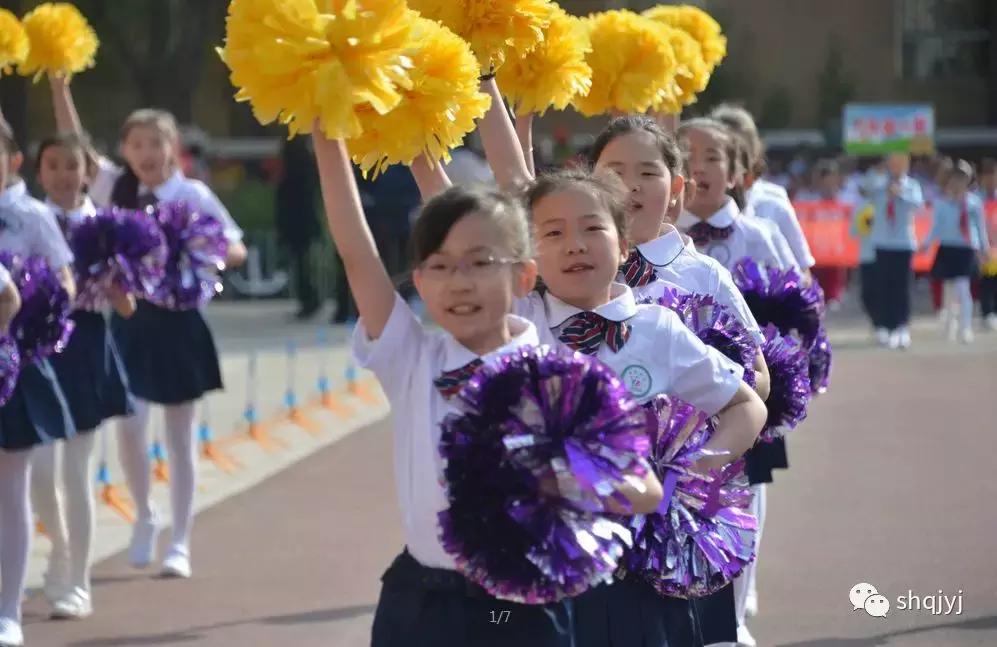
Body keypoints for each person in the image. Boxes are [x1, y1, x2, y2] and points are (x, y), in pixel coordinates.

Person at [312, 126, 663, 645]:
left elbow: (645, 491)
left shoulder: (559, 376)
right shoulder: (413, 359)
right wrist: (327, 132)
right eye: (440, 266)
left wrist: (559, 474)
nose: (459, 282)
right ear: (420, 281)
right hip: (421, 601)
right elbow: (357, 253)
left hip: (515, 607)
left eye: (480, 263)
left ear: (523, 276)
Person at [471, 78, 766, 647]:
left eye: (592, 230)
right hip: (549, 559)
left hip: (644, 566)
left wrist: (688, 470)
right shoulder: (524, 317)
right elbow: (515, 189)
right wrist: (490, 88)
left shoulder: (661, 323)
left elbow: (747, 402)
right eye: (555, 233)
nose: (575, 244)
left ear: (624, 244)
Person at [51, 77, 247, 580]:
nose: (146, 153)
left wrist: (200, 254)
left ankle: (180, 540)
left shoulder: (192, 194)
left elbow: (235, 246)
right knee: (130, 430)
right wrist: (59, 88)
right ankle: (144, 514)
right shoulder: (115, 187)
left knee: (181, 436)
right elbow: (78, 146)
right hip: (131, 323)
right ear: (125, 151)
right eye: (136, 144)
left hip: (181, 325)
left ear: (172, 147)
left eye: (155, 143)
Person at [30, 124, 137, 620]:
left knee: (77, 471)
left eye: (72, 166)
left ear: (88, 173)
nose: (63, 175)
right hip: (37, 346)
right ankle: (59, 549)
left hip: (87, 344)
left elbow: (129, 306)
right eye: (52, 166)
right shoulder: (28, 221)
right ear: (38, 172)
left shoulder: (106, 226)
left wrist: (112, 278)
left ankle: (79, 581)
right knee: (39, 473)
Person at [0, 112, 77, 647]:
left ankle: (9, 610)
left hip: (15, 367)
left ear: (12, 161)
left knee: (12, 489)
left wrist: (33, 316)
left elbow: (64, 280)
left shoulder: (32, 217)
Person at [920, 159, 991, 343]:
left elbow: (980, 227)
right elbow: (936, 226)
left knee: (963, 288)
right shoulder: (942, 203)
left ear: (968, 180)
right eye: (956, 177)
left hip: (966, 249)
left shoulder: (974, 203)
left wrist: (984, 248)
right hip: (948, 247)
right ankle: (950, 324)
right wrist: (926, 243)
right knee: (949, 290)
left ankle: (965, 327)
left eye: (963, 178)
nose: (959, 182)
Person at [868, 153, 924, 349]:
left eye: (900, 163)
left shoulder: (912, 186)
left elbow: (917, 206)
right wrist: (883, 187)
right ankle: (886, 326)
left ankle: (902, 327)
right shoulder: (879, 185)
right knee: (884, 286)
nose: (896, 167)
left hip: (903, 242)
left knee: (902, 287)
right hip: (882, 242)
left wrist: (899, 194)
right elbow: (868, 196)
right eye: (892, 164)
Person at [274, 136, 322, 320]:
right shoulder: (306, 169)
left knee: (301, 265)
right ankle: (309, 299)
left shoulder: (293, 174)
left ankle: (309, 299)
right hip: (304, 223)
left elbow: (287, 203)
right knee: (304, 265)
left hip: (297, 225)